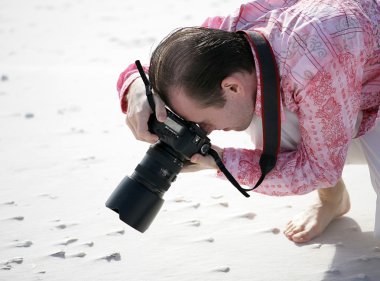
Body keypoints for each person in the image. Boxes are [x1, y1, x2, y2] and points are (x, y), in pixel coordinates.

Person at [117, 0, 380, 243]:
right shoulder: (231, 35)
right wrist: (138, 86)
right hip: (349, 79)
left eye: (203, 121)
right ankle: (333, 199)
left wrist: (222, 161)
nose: (204, 132)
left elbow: (321, 170)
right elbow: (176, 64)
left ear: (232, 87)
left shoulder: (314, 67)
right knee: (267, 111)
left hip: (359, 84)